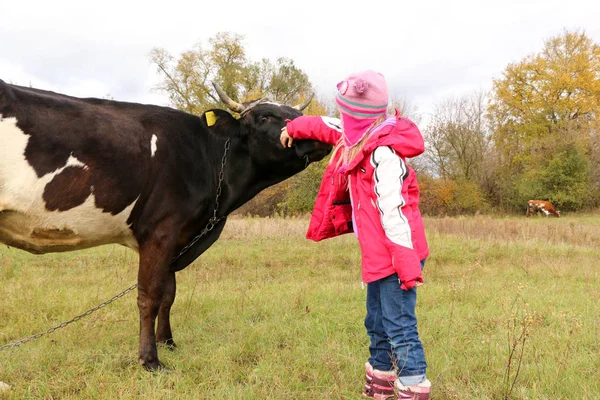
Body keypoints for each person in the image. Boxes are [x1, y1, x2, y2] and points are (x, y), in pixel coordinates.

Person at [280, 70, 431, 400]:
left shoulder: (383, 155)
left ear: (360, 116)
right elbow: (324, 125)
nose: (342, 119)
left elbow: (396, 214)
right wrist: (292, 128)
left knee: (400, 326)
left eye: (347, 112)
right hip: (378, 255)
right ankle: (381, 383)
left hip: (398, 253)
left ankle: (413, 387)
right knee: (375, 323)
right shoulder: (355, 140)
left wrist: (406, 267)